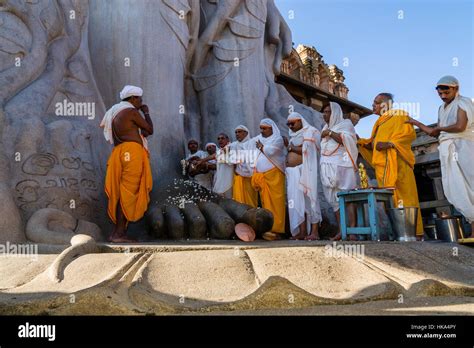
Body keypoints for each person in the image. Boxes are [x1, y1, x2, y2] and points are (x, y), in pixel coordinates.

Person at [407, 76, 474, 232]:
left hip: (464, 147)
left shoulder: (463, 102)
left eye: (446, 92)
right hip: (447, 149)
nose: (443, 96)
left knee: (470, 185)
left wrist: (440, 129)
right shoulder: (441, 109)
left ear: (456, 89)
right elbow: (434, 133)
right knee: (459, 188)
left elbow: (460, 126)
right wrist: (416, 123)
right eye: (440, 93)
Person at [358, 93, 423, 238]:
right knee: (389, 200)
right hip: (383, 168)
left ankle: (415, 234)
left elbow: (409, 135)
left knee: (406, 197)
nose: (372, 106)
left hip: (399, 165)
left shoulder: (399, 115)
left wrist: (389, 144)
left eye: (376, 103)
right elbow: (374, 144)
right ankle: (399, 233)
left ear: (385, 105)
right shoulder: (379, 123)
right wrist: (362, 142)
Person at [100, 85, 153, 243]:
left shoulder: (114, 111)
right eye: (140, 99)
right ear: (133, 98)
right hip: (132, 152)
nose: (141, 102)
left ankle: (119, 232)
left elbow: (137, 132)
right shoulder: (131, 111)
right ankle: (118, 234)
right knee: (128, 193)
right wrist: (146, 112)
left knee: (122, 192)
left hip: (119, 152)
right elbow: (149, 129)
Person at [320, 102, 359, 241]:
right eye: (324, 112)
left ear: (335, 112)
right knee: (334, 201)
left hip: (342, 165)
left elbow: (347, 140)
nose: (325, 114)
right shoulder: (325, 127)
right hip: (327, 166)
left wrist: (330, 133)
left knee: (348, 197)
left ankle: (353, 231)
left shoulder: (345, 124)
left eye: (327, 112)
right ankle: (341, 231)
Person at [285, 112, 322, 240]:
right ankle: (302, 232)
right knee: (297, 202)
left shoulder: (311, 132)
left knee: (310, 199)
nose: (290, 126)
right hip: (292, 172)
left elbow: (307, 150)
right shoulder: (292, 137)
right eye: (288, 124)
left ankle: (315, 232)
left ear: (300, 121)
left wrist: (290, 148)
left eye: (292, 123)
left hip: (306, 171)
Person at [252, 118, 287, 241]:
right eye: (261, 128)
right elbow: (248, 147)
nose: (262, 130)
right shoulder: (258, 139)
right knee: (264, 203)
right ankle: (266, 229)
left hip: (275, 175)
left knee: (276, 203)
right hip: (262, 177)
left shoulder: (278, 139)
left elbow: (272, 151)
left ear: (272, 128)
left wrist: (261, 147)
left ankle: (277, 230)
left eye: (264, 128)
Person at [230, 125, 258, 207]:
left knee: (251, 201)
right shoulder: (234, 145)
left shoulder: (252, 143)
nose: (237, 134)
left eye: (239, 132)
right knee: (239, 202)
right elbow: (222, 154)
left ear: (246, 133)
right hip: (239, 176)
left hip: (250, 176)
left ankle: (253, 217)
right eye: (236, 132)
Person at [212, 133, 235, 198]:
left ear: (227, 139)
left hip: (229, 180)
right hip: (220, 180)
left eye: (222, 138)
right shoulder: (219, 151)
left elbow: (231, 162)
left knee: (230, 202)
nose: (220, 140)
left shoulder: (232, 147)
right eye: (218, 139)